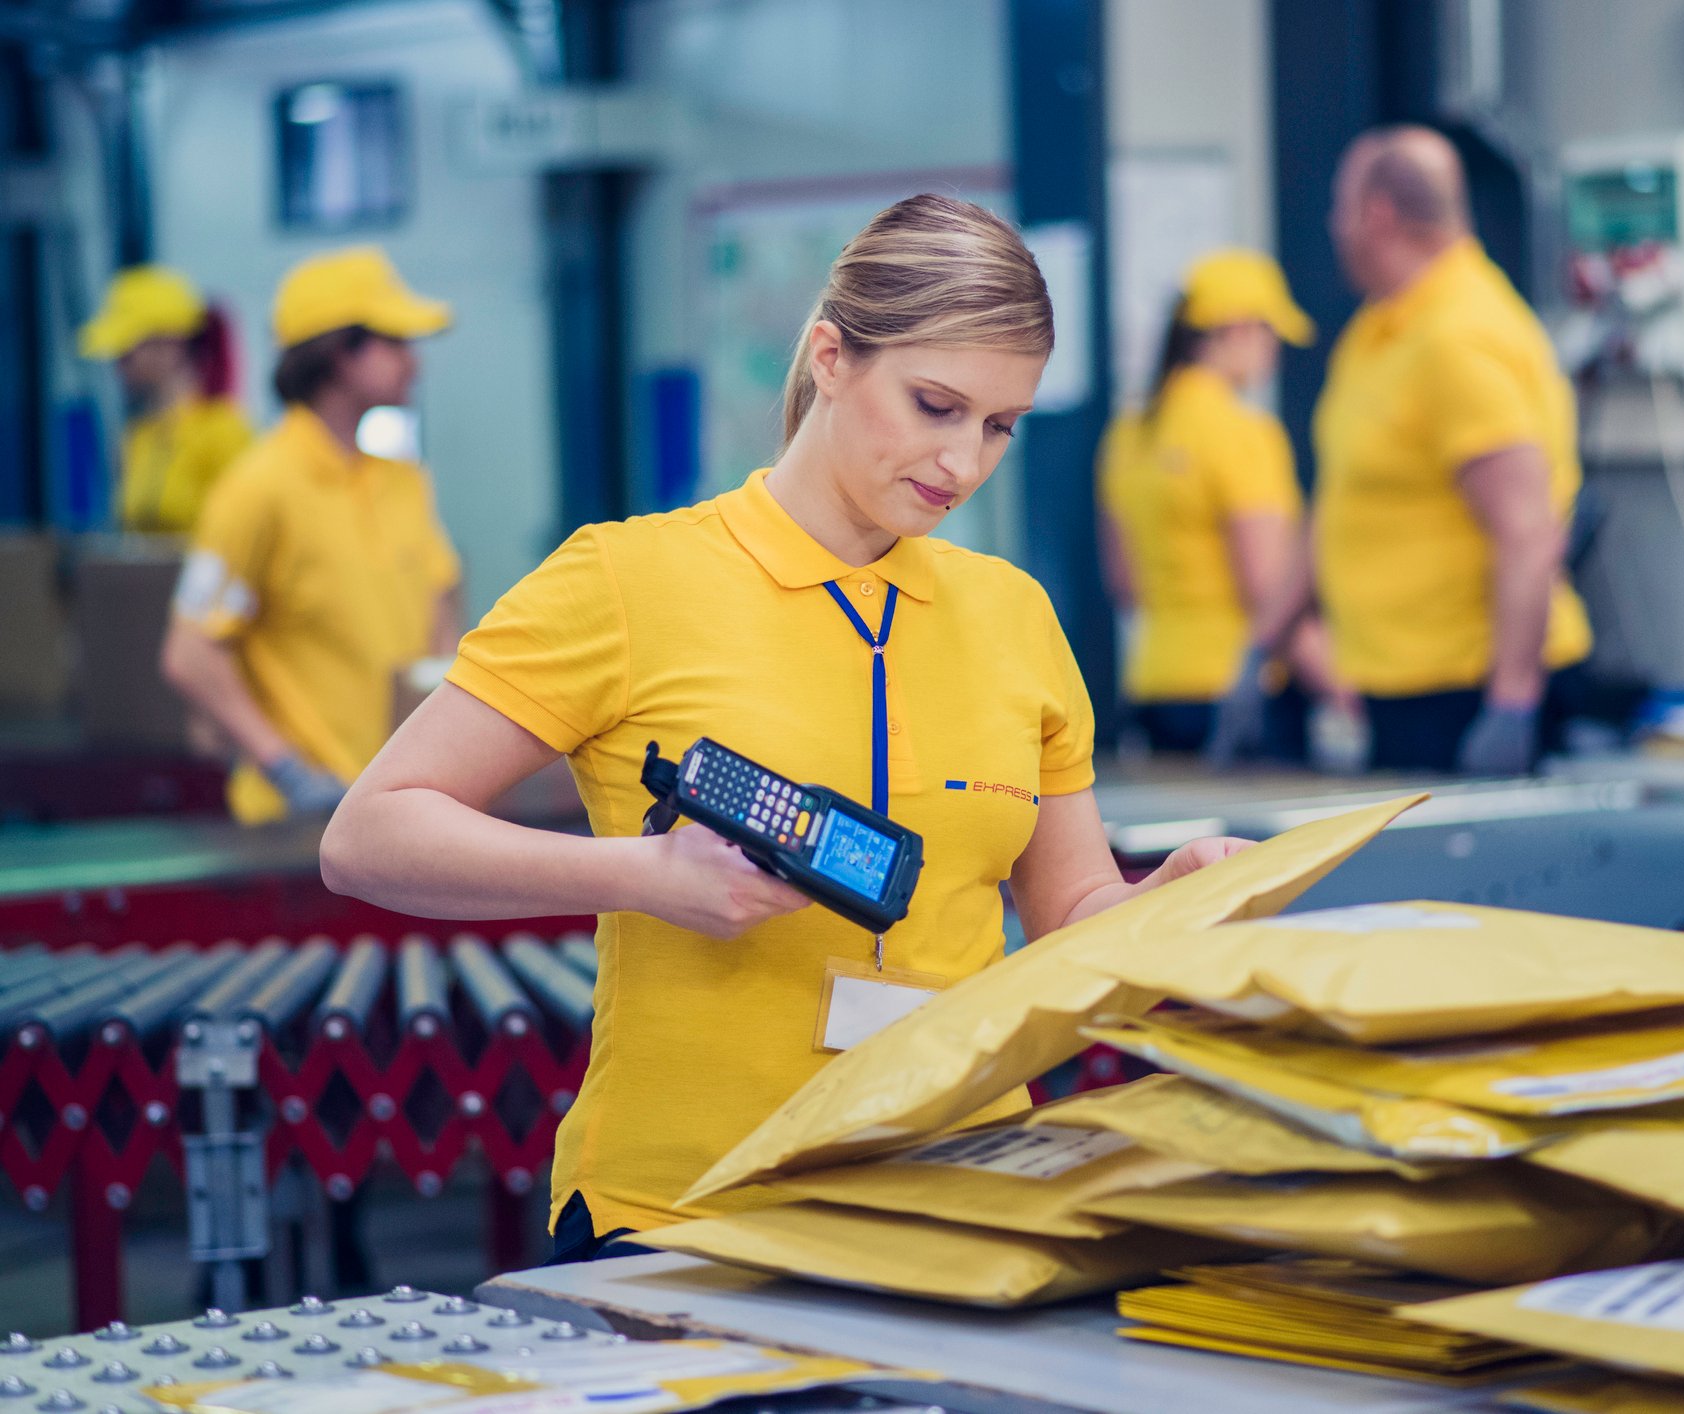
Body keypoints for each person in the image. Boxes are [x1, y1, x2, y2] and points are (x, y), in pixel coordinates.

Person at [316, 195, 1251, 1260]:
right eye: (934, 404)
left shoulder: (1015, 615)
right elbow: (370, 834)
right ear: (831, 356)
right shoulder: (627, 580)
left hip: (963, 1206)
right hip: (692, 1216)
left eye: (999, 425)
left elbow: (1067, 911)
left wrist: (1157, 903)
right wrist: (649, 876)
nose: (964, 462)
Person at [1227, 127, 1592, 776]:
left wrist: (1510, 705)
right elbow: (1339, 502)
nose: (1332, 227)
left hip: (1467, 692)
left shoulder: (1458, 336)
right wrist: (1263, 649)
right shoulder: (1378, 330)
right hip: (1399, 690)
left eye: (1339, 209)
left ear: (1377, 215)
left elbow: (1527, 531)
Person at [161, 247, 461, 824]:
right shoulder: (258, 489)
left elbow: (440, 610)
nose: (413, 363)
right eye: (395, 343)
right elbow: (189, 653)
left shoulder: (402, 481)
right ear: (339, 355)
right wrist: (289, 771)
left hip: (400, 811)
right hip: (297, 824)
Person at [1095, 249, 1344, 759]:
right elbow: (1268, 590)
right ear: (1239, 329)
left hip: (1156, 685)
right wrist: (1341, 687)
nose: (1274, 352)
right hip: (1243, 696)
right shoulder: (1243, 434)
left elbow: (1125, 583)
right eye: (1270, 333)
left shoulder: (1128, 436)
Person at [77, 266, 252, 534]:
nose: (118, 366)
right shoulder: (138, 437)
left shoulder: (224, 432)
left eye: (125, 352)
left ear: (170, 346)